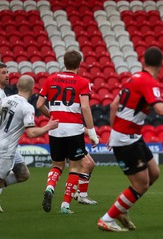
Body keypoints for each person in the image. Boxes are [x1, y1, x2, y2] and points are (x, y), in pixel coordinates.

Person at [97, 47, 163, 232]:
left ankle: (121, 209)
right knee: (141, 184)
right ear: (161, 64)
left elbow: (113, 105)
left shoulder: (133, 78)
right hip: (126, 138)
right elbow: (161, 110)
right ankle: (108, 217)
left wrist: (114, 131)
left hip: (131, 135)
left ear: (144, 61)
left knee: (154, 173)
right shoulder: (148, 82)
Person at [37, 50, 99, 214]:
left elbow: (39, 104)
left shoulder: (51, 79)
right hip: (73, 129)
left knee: (57, 165)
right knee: (74, 167)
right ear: (79, 64)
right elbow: (85, 107)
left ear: (64, 62)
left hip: (55, 128)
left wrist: (52, 116)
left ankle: (50, 187)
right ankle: (65, 206)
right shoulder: (82, 81)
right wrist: (92, 132)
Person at [0, 75, 59, 211]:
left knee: (23, 174)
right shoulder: (27, 107)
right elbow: (31, 133)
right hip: (6, 149)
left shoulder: (6, 99)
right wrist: (49, 126)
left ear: (17, 86)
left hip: (8, 146)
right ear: (32, 90)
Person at [0, 63, 32, 213]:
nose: (7, 75)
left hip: (8, 142)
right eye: (3, 73)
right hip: (3, 143)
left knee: (23, 173)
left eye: (7, 72)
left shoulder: (6, 95)